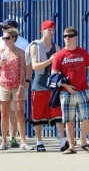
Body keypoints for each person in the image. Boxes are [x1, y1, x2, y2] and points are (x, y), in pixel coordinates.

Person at [52, 26, 89, 154]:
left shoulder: (83, 52)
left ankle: (83, 142)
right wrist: (66, 86)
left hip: (84, 90)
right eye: (65, 36)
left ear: (76, 37)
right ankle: (71, 146)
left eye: (70, 36)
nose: (67, 38)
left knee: (87, 117)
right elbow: (54, 75)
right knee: (68, 120)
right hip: (66, 92)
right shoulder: (60, 55)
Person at [28, 20, 67, 152]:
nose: (51, 33)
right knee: (38, 116)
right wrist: (50, 61)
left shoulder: (56, 47)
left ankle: (62, 141)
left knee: (58, 114)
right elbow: (34, 66)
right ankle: (39, 142)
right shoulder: (35, 46)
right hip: (39, 85)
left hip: (53, 85)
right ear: (42, 31)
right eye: (49, 30)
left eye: (53, 30)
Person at [0, 19, 30, 147]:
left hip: (17, 86)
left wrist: (21, 86)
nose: (5, 40)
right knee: (4, 114)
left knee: (20, 112)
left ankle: (23, 141)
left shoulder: (21, 52)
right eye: (4, 38)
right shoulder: (1, 52)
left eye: (7, 38)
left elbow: (23, 71)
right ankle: (4, 141)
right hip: (3, 85)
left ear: (14, 38)